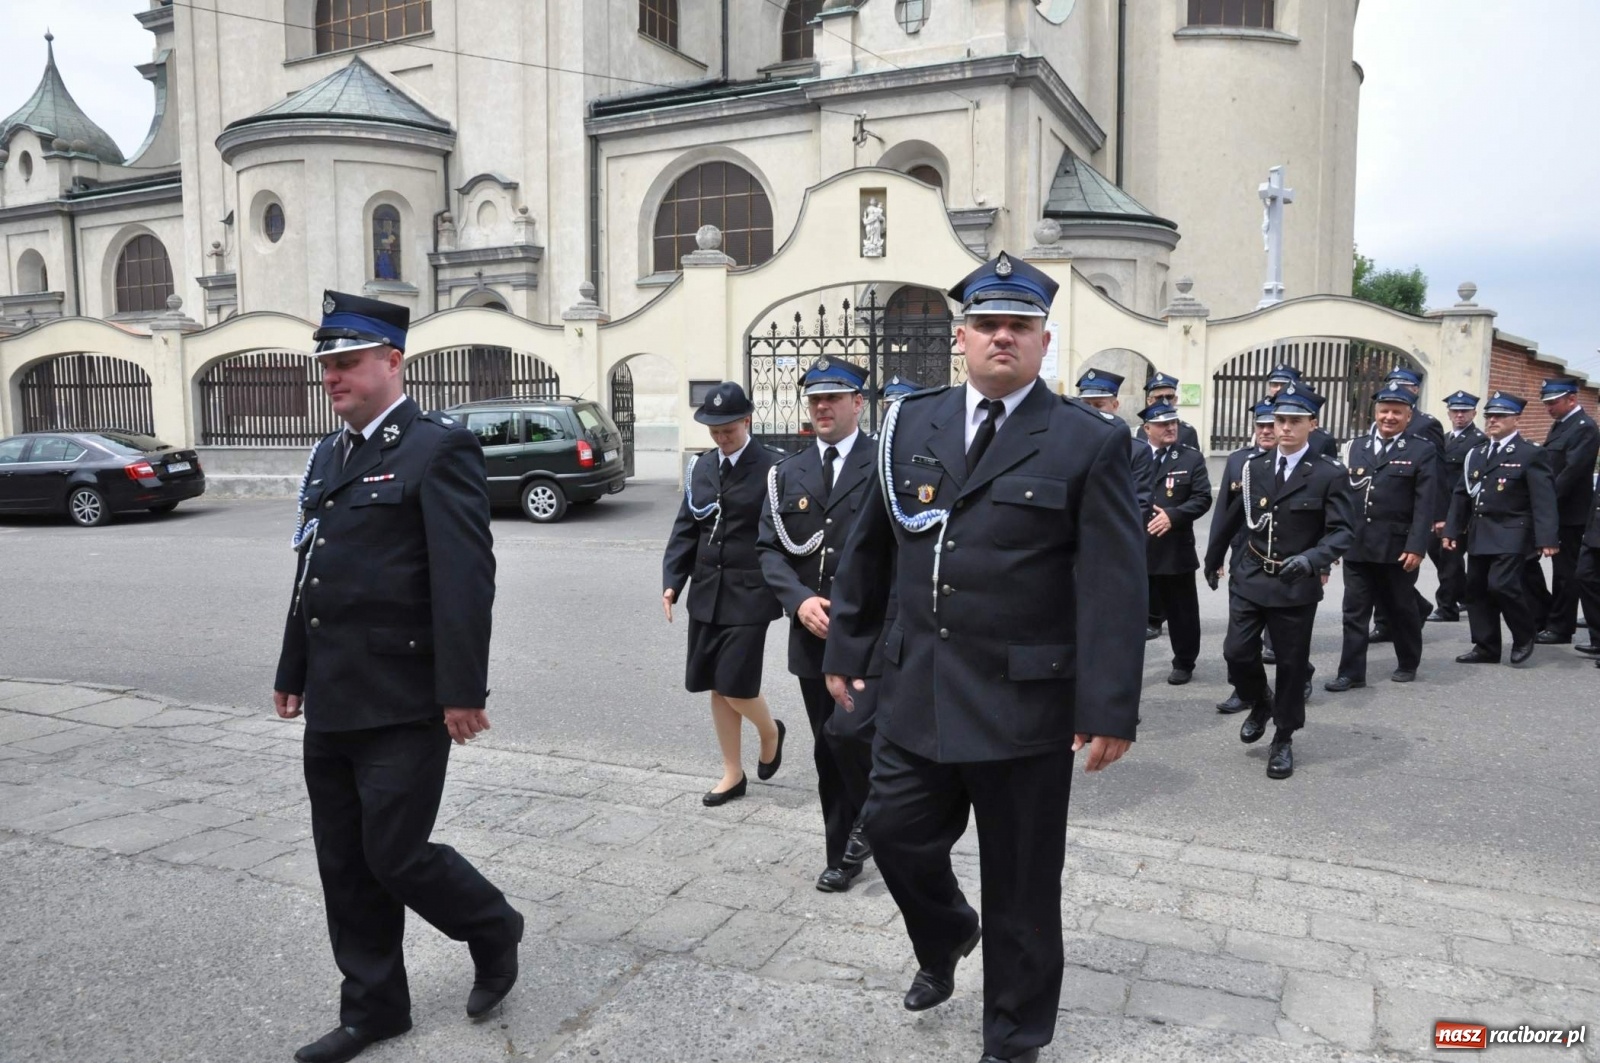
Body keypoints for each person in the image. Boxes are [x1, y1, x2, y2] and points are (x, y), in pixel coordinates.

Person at [823, 251, 1145, 1063]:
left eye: (1021, 326)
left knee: (1024, 886)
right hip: (916, 688)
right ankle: (948, 931)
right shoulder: (910, 422)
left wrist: (1108, 706)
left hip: (1024, 705)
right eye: (988, 324)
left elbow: (1112, 585)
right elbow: (870, 545)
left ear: (1044, 341)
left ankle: (1013, 1035)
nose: (1004, 337)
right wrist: (849, 644)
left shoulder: (1087, 440)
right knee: (892, 832)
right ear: (959, 336)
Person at [273, 291, 523, 1063]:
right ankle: (375, 1006)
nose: (333, 378)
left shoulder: (436, 448)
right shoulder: (329, 454)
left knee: (394, 852)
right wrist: (292, 667)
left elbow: (464, 577)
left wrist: (462, 690)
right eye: (326, 366)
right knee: (343, 861)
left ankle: (491, 924)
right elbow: (311, 567)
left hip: (406, 697)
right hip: (335, 696)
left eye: (346, 362)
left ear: (393, 361)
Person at [757, 357, 877, 892]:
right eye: (815, 399)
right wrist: (799, 601)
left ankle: (877, 823)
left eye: (835, 398)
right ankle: (842, 853)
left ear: (858, 403)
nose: (823, 407)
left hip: (871, 631)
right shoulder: (788, 473)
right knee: (828, 745)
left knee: (857, 735)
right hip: (813, 631)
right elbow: (768, 551)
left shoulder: (889, 464)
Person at [1204, 384, 1356, 780]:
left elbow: (1343, 532)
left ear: (1312, 424)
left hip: (1294, 582)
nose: (1284, 428)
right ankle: (1259, 702)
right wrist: (1212, 557)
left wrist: (1312, 559)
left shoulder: (1328, 474)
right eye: (1279, 420)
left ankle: (1283, 737)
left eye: (1294, 421)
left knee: (1289, 664)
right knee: (1237, 652)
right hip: (1252, 573)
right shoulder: (1254, 467)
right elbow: (1232, 517)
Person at [662, 382, 786, 805]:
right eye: (713, 430)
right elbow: (686, 529)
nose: (720, 437)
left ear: (747, 420)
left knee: (735, 683)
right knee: (716, 685)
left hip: (751, 594)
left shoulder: (773, 468)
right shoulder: (701, 468)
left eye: (728, 429)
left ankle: (770, 731)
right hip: (707, 592)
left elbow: (784, 535)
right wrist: (672, 582)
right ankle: (732, 773)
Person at [1326, 383, 1439, 690]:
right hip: (1358, 545)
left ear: (1408, 415)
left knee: (1400, 608)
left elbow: (1424, 502)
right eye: (1384, 411)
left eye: (1396, 412)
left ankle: (1407, 661)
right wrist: (1335, 540)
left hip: (1397, 547)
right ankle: (1351, 672)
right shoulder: (1356, 447)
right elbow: (1343, 498)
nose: (1389, 417)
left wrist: (1417, 546)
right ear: (1373, 413)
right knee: (1354, 612)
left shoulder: (1421, 450)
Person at [1443, 391, 1560, 665]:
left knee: (1502, 585)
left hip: (1513, 530)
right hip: (1480, 530)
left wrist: (1547, 538)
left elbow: (1544, 499)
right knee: (1477, 589)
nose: (1493, 420)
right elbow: (1462, 494)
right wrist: (1451, 530)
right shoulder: (1477, 453)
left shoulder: (1530, 453)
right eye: (1490, 416)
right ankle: (1486, 646)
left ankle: (1524, 634)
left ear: (1515, 419)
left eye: (1501, 416)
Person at [1076, 368, 1157, 638]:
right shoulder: (1068, 445)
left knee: (1109, 630)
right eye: (1086, 405)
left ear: (1115, 405)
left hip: (1111, 553)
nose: (1092, 412)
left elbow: (1139, 505)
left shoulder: (1136, 451)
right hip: (1070, 555)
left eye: (1099, 405)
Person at [1367, 367, 1445, 642]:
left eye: (1404, 385)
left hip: (1403, 516)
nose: (1389, 415)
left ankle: (1406, 619)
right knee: (1376, 579)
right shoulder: (1375, 426)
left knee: (1395, 581)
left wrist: (1438, 515)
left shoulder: (1426, 425)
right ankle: (1386, 622)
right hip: (1372, 522)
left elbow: (1437, 474)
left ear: (1415, 390)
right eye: (1392, 383)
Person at [1139, 399, 1213, 685]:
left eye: (1173, 423)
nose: (1170, 428)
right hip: (1138, 547)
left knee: (1182, 613)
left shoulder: (1190, 458)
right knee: (1132, 614)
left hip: (1173, 548)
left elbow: (1203, 498)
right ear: (1147, 428)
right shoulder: (1133, 455)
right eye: (1162, 424)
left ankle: (1184, 661)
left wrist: (1174, 515)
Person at [1214, 400, 1277, 714]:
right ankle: (1243, 689)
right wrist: (1215, 559)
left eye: (1271, 425)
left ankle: (1299, 674)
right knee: (1239, 633)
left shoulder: (1295, 463)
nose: (1266, 431)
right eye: (1261, 426)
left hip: (1284, 560)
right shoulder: (1239, 459)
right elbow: (1224, 513)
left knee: (1283, 630)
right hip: (1244, 557)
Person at [1531, 377, 1599, 644]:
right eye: (1546, 403)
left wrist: (1544, 502)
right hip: (1557, 509)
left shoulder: (1583, 428)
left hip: (1570, 512)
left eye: (1554, 402)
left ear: (1572, 399)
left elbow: (1571, 473)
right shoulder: (1563, 425)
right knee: (1562, 570)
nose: (1549, 408)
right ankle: (1553, 616)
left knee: (1566, 572)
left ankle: (1560, 626)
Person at [1428, 391, 1486, 622]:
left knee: (1449, 559)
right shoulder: (1443, 438)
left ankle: (1447, 606)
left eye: (1464, 411)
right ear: (1449, 413)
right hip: (1440, 507)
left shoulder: (1478, 440)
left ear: (1474, 413)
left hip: (1460, 509)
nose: (1459, 415)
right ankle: (1464, 596)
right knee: (1438, 554)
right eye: (1455, 411)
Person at [1265, 363, 1339, 458]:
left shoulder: (1321, 439)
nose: (1279, 389)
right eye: (1274, 384)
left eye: (1284, 385)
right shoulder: (1265, 429)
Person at [1135, 372, 1201, 450]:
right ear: (1149, 401)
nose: (1164, 401)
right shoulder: (1140, 431)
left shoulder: (1188, 432)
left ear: (1175, 400)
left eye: (1169, 397)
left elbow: (1194, 460)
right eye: (1159, 397)